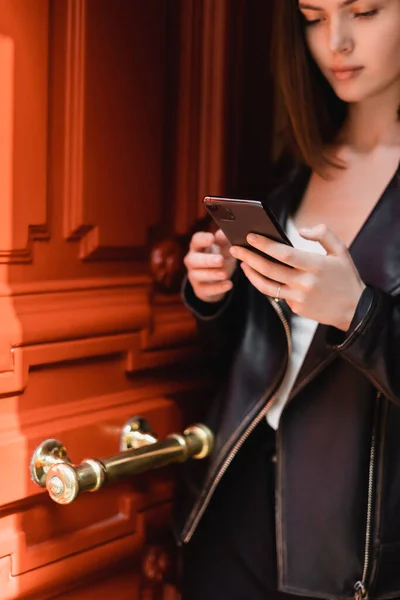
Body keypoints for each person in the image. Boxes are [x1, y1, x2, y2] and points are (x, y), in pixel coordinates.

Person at [176, 0, 400, 599]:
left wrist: (359, 313)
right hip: (235, 503)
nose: (337, 41)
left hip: (350, 540)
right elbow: (251, 360)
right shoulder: (294, 170)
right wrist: (213, 293)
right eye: (313, 15)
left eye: (366, 10)